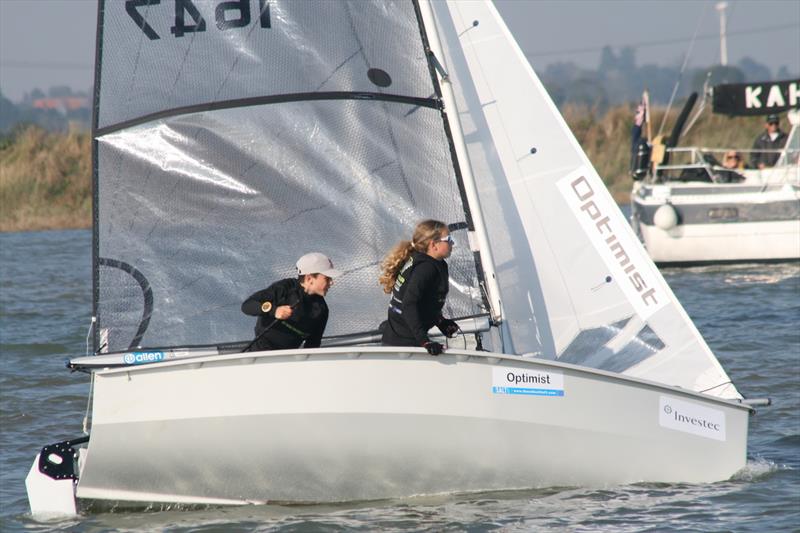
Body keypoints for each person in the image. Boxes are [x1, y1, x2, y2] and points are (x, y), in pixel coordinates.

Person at [378, 219, 460, 356]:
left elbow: (426, 302)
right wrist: (425, 342)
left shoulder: (433, 263)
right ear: (433, 245)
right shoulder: (426, 268)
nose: (452, 243)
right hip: (401, 343)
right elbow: (409, 304)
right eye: (449, 239)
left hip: (406, 337)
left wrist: (440, 321)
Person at [241, 252, 341, 352]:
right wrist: (274, 310)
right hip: (259, 354)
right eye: (327, 278)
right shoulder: (285, 288)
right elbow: (247, 306)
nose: (331, 282)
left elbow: (313, 344)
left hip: (288, 360)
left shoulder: (322, 310)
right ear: (309, 278)